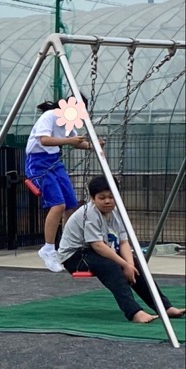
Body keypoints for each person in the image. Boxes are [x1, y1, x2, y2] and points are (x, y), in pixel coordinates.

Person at [58, 175, 185, 323]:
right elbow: (98, 246)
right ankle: (134, 312)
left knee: (137, 265)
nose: (107, 201)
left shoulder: (117, 213)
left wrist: (130, 265)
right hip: (75, 256)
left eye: (111, 197)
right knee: (111, 267)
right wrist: (124, 265)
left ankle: (164, 307)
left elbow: (124, 242)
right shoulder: (89, 213)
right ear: (93, 198)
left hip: (95, 251)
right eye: (102, 198)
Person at [25, 95, 104, 273]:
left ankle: (68, 245)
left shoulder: (68, 121)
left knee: (70, 205)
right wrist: (69, 141)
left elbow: (76, 143)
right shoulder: (50, 116)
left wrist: (93, 146)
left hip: (55, 161)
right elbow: (44, 140)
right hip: (38, 163)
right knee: (58, 205)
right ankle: (48, 248)